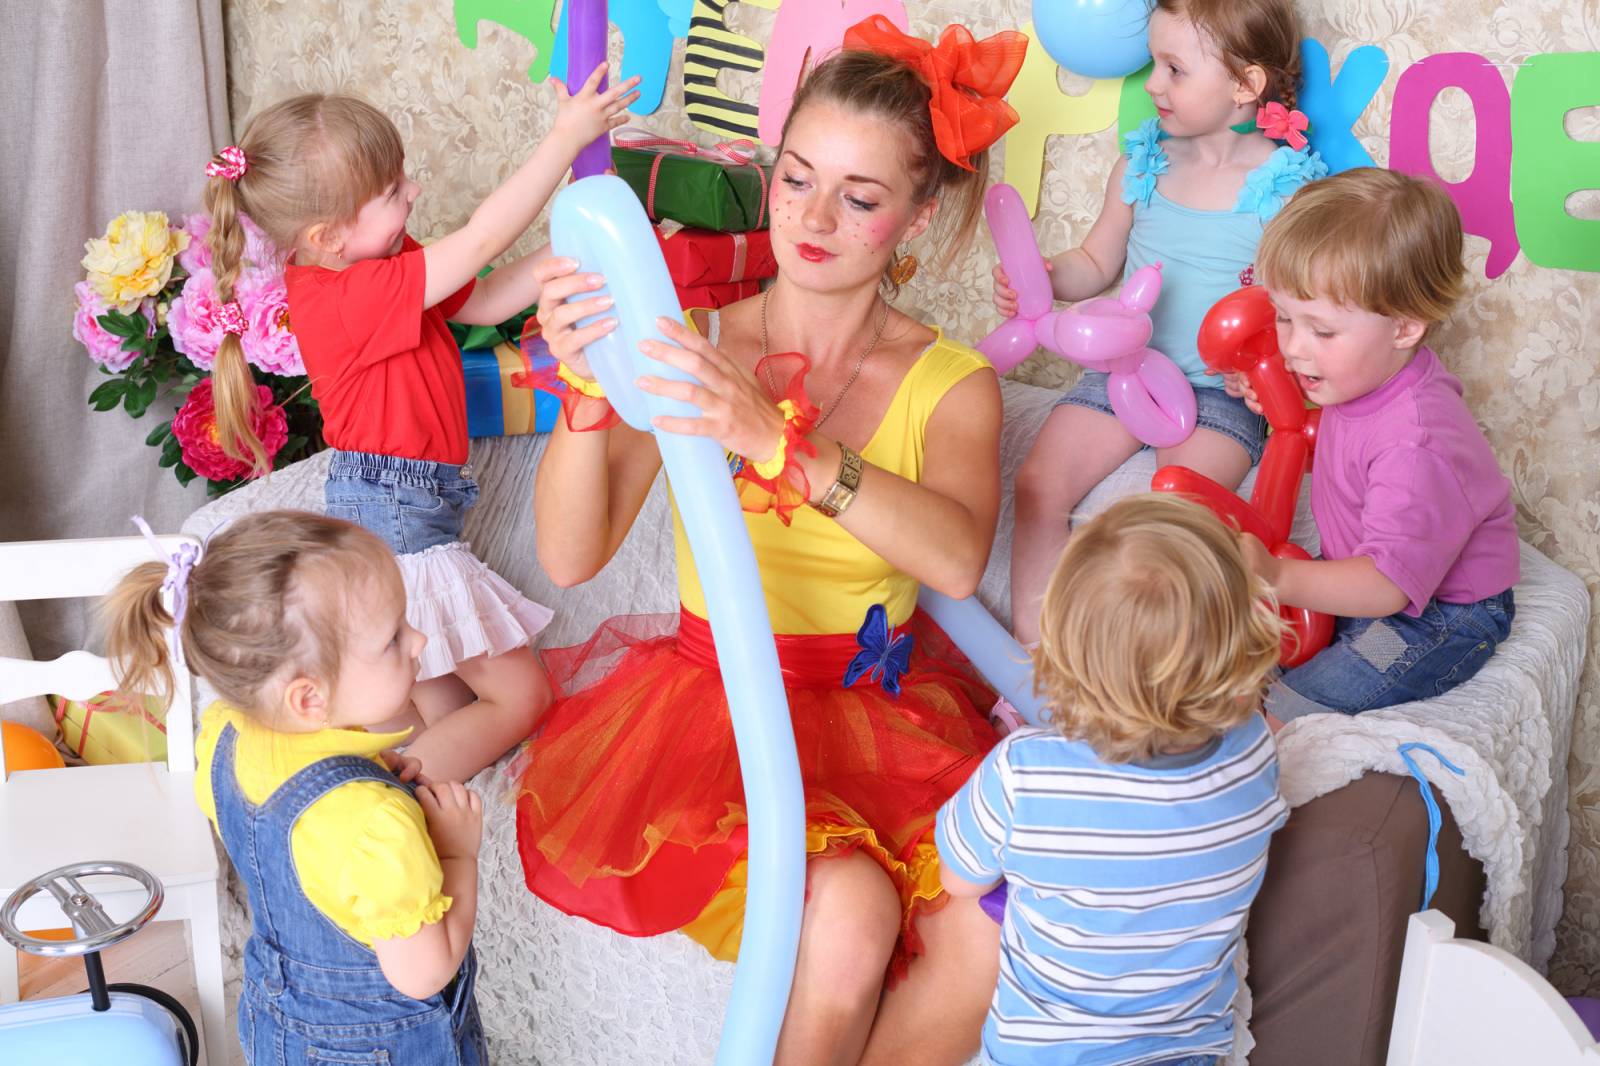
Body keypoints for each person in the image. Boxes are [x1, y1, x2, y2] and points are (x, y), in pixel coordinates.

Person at [515, 17, 1026, 1066]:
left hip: (881, 712)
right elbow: (573, 554)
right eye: (796, 177)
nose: (813, 217)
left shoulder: (955, 384)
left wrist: (772, 440)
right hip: (718, 715)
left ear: (918, 215)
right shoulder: (696, 343)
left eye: (860, 196)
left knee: (994, 917)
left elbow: (957, 559)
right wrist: (581, 400)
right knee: (845, 919)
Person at [196, 70, 639, 781]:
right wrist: (564, 140)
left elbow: (489, 297)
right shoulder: (343, 297)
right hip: (396, 517)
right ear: (329, 236)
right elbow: (480, 238)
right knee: (521, 697)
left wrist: (583, 251)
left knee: (433, 708)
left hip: (407, 507)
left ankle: (400, 794)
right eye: (395, 191)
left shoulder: (385, 259)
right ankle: (384, 801)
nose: (414, 193)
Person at [103, 511, 488, 1063]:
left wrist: (370, 772)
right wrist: (457, 851)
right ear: (309, 700)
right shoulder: (378, 827)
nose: (419, 637)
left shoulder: (223, 738)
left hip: (276, 1023)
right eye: (393, 637)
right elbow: (423, 974)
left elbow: (286, 839)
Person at [997, 0, 1326, 644]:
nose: (1152, 84)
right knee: (1038, 484)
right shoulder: (1143, 163)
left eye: (1174, 68)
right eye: (1154, 63)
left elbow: (1299, 314)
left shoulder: (1287, 192)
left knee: (1171, 520)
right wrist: (1043, 278)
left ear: (1245, 85)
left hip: (1217, 395)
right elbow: (1095, 261)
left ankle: (1140, 670)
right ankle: (1035, 663)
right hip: (1126, 371)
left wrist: (1272, 377)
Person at [938, 493, 1289, 1066]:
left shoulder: (1023, 774)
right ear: (1243, 646)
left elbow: (960, 881)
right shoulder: (1253, 751)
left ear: (1061, 655)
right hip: (1184, 1051)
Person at [1237, 168, 1519, 721]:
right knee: (1236, 655)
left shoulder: (1417, 442)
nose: (1292, 347)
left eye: (1320, 331)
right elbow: (1339, 438)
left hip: (1436, 616)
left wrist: (1276, 575)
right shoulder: (1364, 374)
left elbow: (1388, 589)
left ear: (1404, 328)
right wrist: (1268, 393)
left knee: (1293, 700)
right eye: (1282, 317)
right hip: (1363, 566)